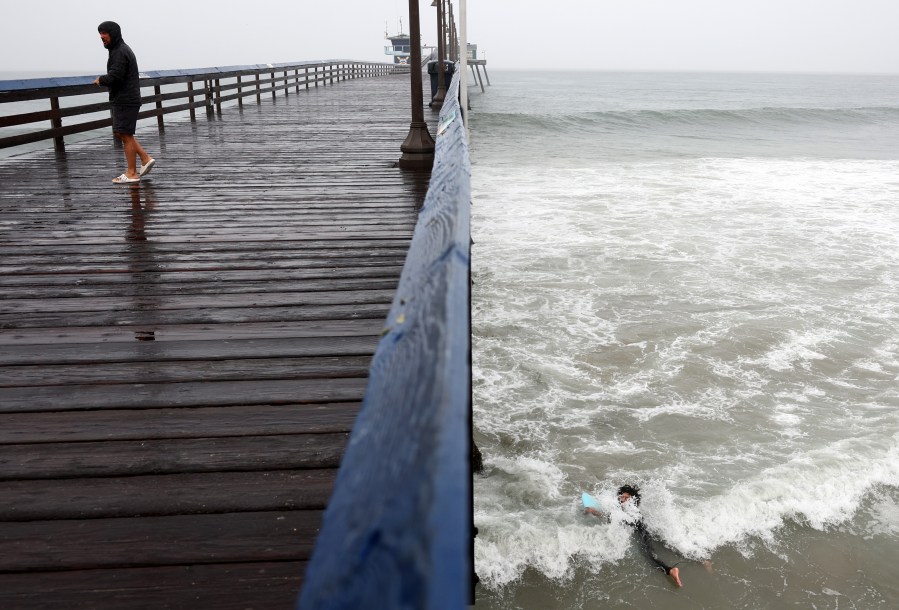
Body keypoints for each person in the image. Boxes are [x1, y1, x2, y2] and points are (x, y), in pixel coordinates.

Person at [93, 21, 156, 184]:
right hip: (126, 98)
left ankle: (131, 173)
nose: (101, 37)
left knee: (125, 135)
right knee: (122, 133)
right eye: (100, 33)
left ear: (113, 33)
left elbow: (116, 76)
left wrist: (101, 80)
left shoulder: (120, 51)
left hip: (125, 99)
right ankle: (145, 158)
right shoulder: (119, 49)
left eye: (104, 33)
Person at [586, 484, 685, 587]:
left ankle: (670, 570)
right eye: (622, 497)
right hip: (643, 530)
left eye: (627, 498)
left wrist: (595, 513)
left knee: (649, 556)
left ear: (633, 500)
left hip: (643, 534)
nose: (623, 499)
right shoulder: (624, 510)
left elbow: (615, 519)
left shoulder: (632, 513)